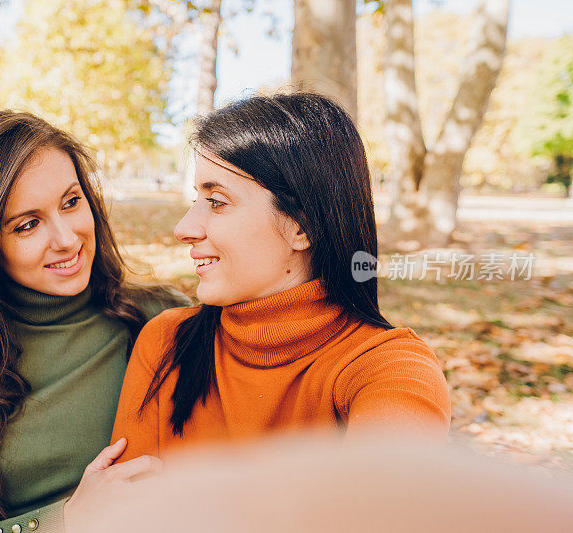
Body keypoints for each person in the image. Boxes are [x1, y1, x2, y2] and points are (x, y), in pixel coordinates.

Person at [0, 109, 183, 532]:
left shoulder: (158, 318)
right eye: (27, 225)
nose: (66, 239)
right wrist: (63, 521)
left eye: (71, 202)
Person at [111, 93, 451, 462]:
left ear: (300, 226)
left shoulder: (389, 370)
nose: (184, 228)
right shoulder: (167, 341)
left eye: (217, 202)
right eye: (197, 199)